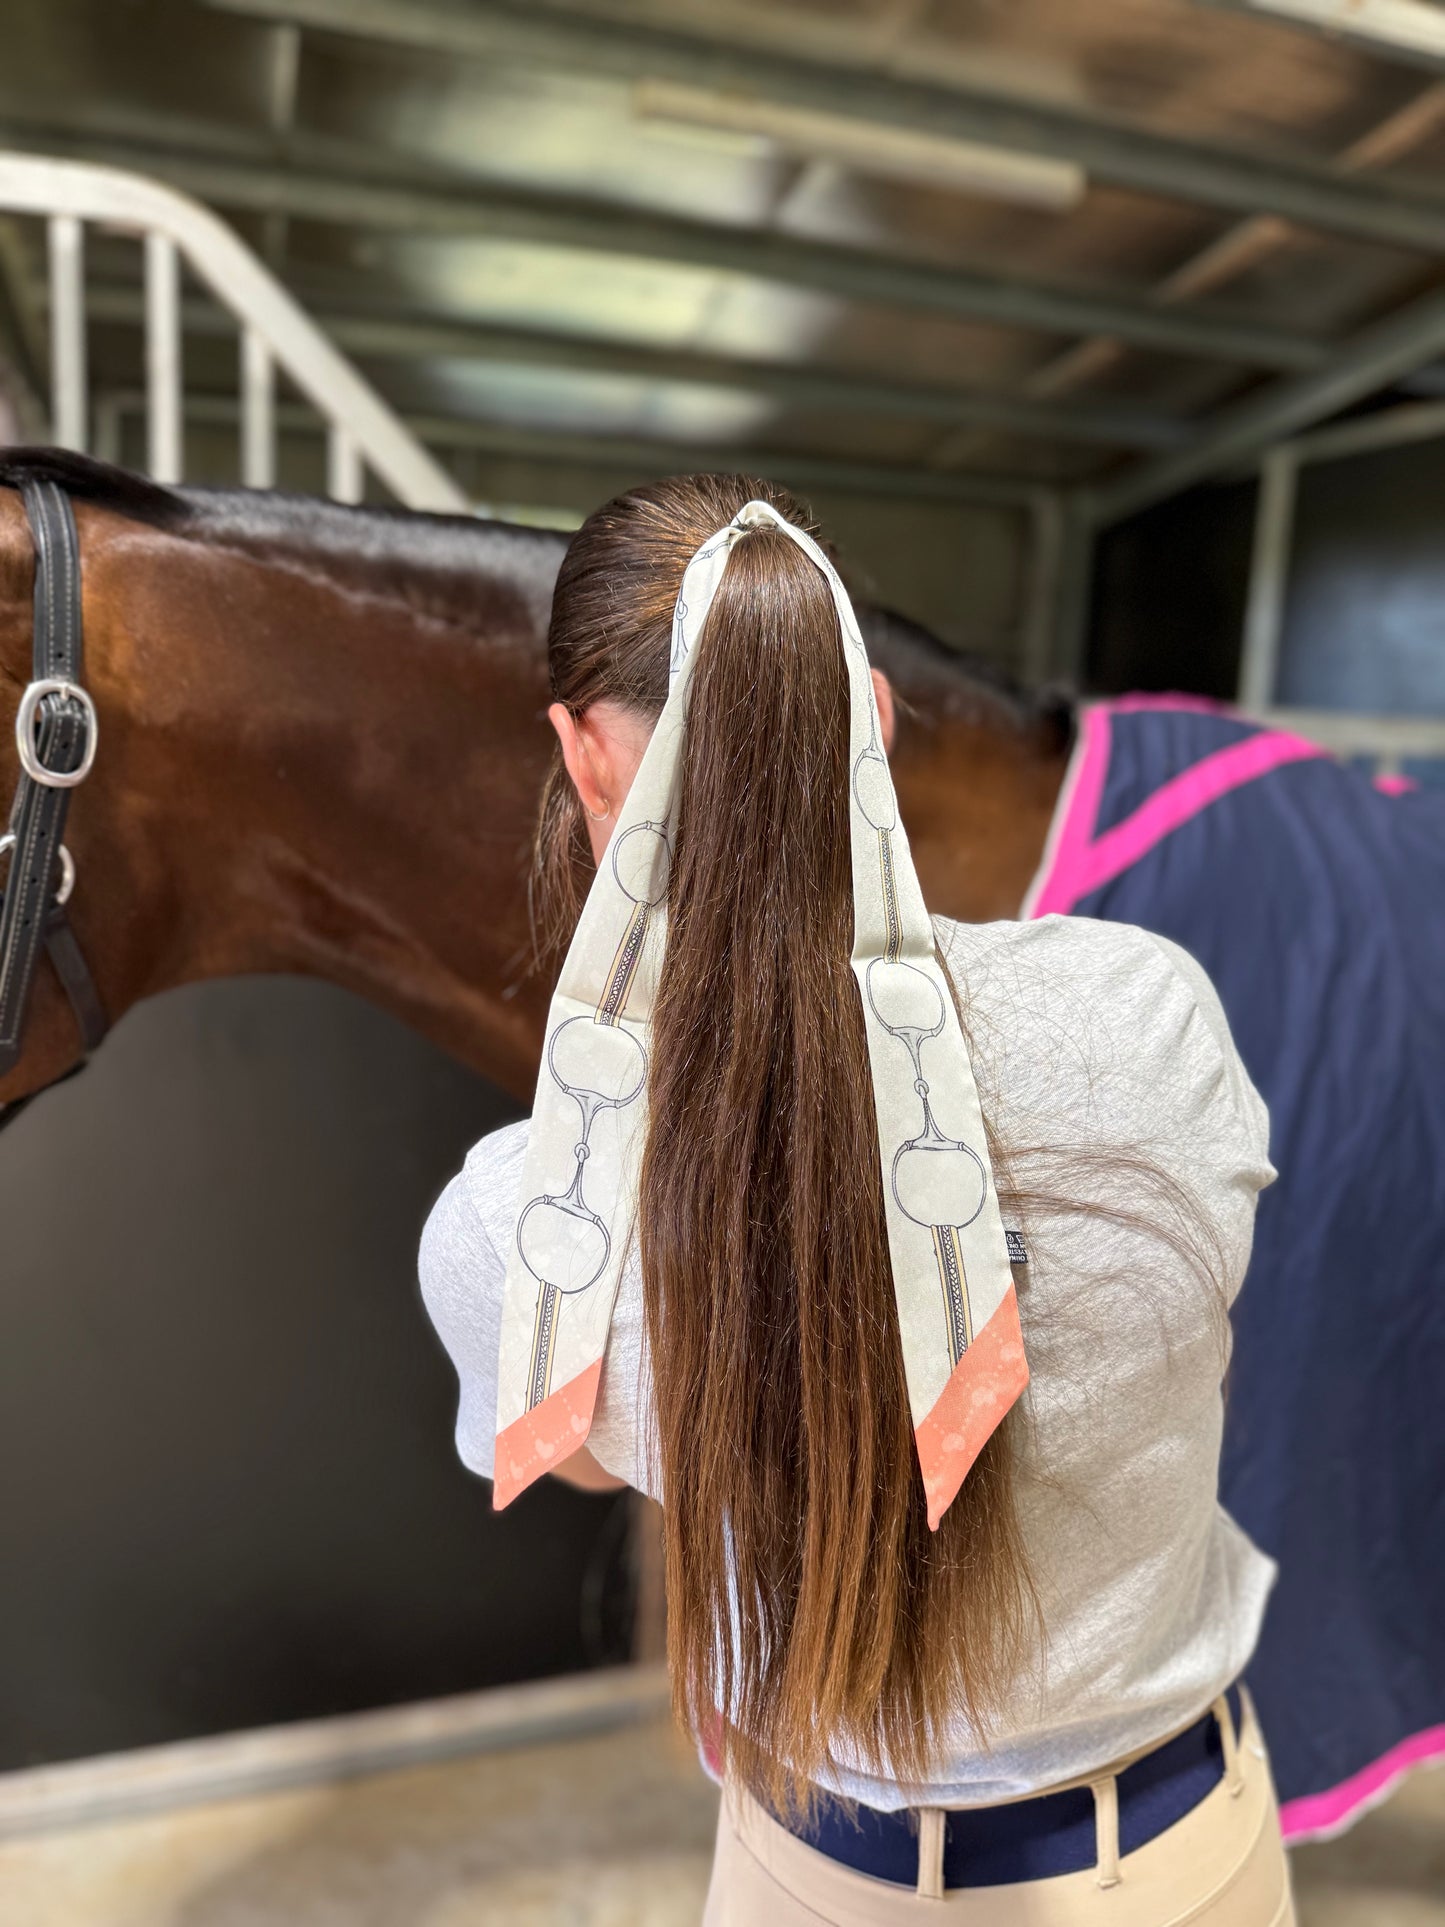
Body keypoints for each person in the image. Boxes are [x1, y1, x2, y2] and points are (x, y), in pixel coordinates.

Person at [419, 474, 1294, 1924]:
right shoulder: (1150, 1016)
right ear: (874, 726)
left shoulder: (527, 1230)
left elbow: (578, 1456)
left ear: (583, 760)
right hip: (1178, 1863)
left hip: (809, 1880)